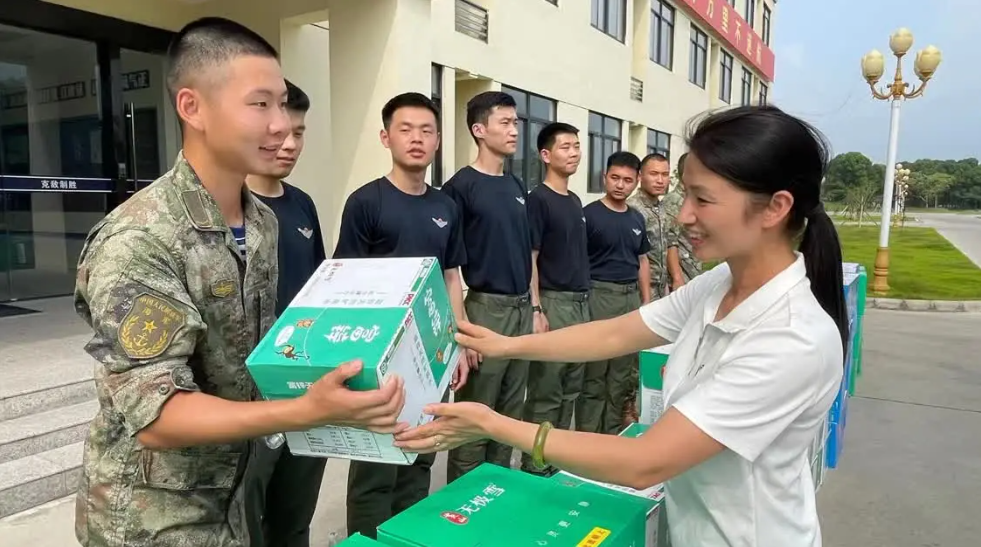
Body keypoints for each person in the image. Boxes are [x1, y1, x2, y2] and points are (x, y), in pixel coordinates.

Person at [395, 105, 850, 547]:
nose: (684, 215)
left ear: (775, 208)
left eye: (703, 199)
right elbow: (615, 333)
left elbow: (643, 463)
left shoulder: (793, 338)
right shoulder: (719, 285)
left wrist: (494, 424)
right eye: (686, 195)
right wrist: (507, 345)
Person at [72, 18, 405, 547]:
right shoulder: (140, 238)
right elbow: (157, 415)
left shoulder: (262, 222)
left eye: (283, 105)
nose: (280, 125)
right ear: (192, 107)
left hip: (236, 498)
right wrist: (306, 411)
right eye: (259, 105)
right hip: (155, 519)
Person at [333, 92, 470, 539]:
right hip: (381, 352)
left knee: (420, 455)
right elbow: (345, 281)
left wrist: (456, 344)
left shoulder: (446, 207)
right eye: (405, 129)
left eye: (426, 131)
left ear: (437, 141)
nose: (416, 139)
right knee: (376, 462)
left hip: (431, 348)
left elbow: (451, 276)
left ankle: (405, 536)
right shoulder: (365, 202)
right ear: (385, 137)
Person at [244, 80, 328, 547]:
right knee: (247, 518)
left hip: (304, 383)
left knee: (295, 515)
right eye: (281, 132)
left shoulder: (302, 205)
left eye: (299, 133)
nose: (290, 144)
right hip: (248, 394)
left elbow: (319, 291)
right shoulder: (224, 206)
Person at [440, 91, 533, 483]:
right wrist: (461, 330)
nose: (515, 131)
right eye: (505, 123)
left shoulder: (516, 185)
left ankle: (496, 495)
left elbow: (527, 251)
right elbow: (448, 266)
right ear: (479, 130)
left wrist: (536, 308)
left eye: (516, 123)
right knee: (475, 420)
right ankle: (463, 504)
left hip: (522, 310)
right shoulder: (460, 188)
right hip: (485, 310)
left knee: (509, 417)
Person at [522, 122, 589, 474]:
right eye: (566, 147)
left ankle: (559, 462)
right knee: (547, 389)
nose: (574, 153)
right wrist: (537, 308)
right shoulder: (538, 200)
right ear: (546, 155)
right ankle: (535, 467)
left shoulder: (575, 201)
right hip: (553, 302)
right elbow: (531, 258)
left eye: (577, 146)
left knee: (570, 388)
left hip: (581, 303)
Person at [576, 151, 651, 435]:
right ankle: (587, 438)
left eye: (627, 180)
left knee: (621, 373)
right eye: (615, 178)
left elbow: (642, 260)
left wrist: (646, 301)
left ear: (636, 181)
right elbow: (577, 259)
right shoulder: (588, 215)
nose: (620, 185)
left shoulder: (637, 219)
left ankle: (611, 436)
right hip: (599, 295)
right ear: (604, 177)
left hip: (630, 298)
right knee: (594, 372)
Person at [628, 153, 679, 301]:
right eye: (654, 174)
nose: (660, 180)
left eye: (665, 174)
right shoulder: (632, 209)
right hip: (640, 293)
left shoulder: (661, 208)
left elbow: (668, 244)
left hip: (661, 290)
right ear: (640, 176)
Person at [663, 152, 704, 287]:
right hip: (682, 276)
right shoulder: (673, 201)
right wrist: (677, 277)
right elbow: (670, 242)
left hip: (693, 270)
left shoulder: (692, 198)